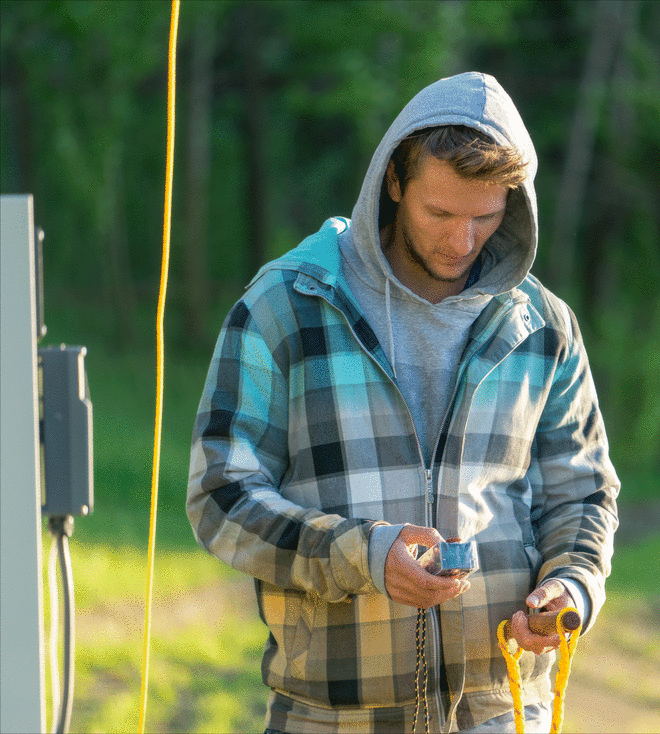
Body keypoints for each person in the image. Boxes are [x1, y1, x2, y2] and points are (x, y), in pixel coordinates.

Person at [187, 71, 619, 733]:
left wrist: (572, 588)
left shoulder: (544, 326)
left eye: (486, 216)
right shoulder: (286, 306)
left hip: (501, 715)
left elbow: (583, 495)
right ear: (392, 183)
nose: (462, 240)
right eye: (439, 213)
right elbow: (219, 496)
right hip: (328, 717)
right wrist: (363, 555)